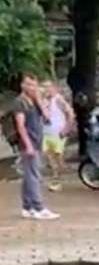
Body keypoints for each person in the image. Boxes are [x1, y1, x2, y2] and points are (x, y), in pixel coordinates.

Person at [14, 74, 59, 220]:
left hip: (37, 141)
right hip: (29, 144)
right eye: (28, 84)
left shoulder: (34, 101)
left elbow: (47, 116)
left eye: (34, 85)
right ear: (22, 85)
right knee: (34, 175)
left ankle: (27, 207)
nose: (31, 88)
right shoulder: (20, 102)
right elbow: (20, 126)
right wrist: (28, 145)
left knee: (29, 175)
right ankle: (38, 207)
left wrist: (39, 99)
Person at [42, 81, 75, 192]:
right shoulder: (45, 101)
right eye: (44, 87)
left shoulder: (58, 99)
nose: (46, 90)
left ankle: (58, 181)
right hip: (46, 133)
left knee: (57, 158)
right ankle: (56, 178)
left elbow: (70, 113)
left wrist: (66, 130)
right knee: (49, 159)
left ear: (54, 88)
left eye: (48, 87)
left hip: (57, 134)